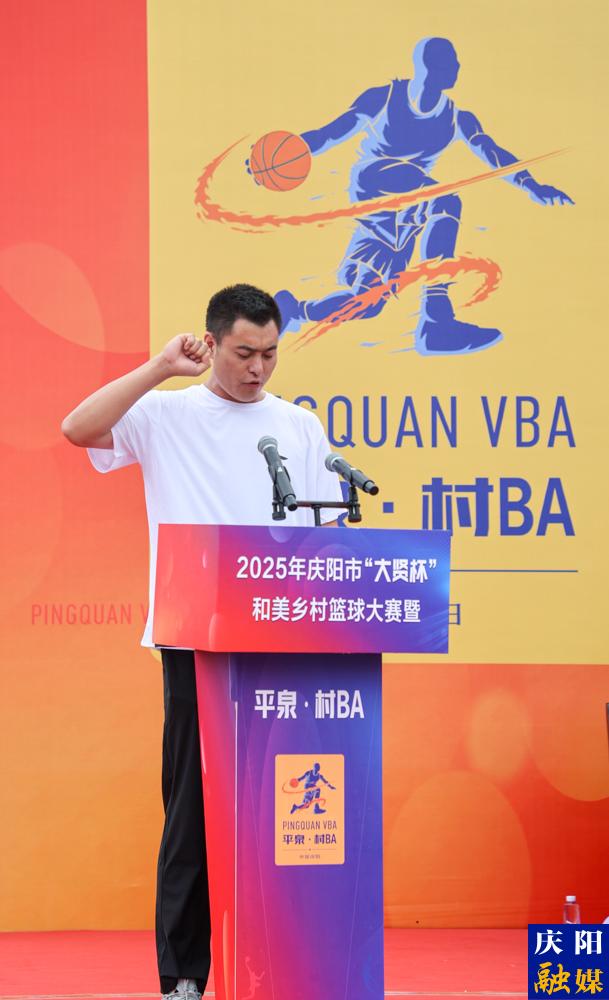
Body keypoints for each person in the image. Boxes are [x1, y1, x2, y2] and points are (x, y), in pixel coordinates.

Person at [61, 283, 342, 1000]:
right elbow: (77, 428)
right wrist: (160, 367)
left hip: (282, 641)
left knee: (283, 809)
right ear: (211, 343)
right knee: (192, 809)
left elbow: (330, 532)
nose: (258, 368)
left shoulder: (298, 427)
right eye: (244, 352)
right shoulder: (167, 414)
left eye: (270, 353)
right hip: (195, 640)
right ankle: (184, 976)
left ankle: (280, 964)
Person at [275, 36, 573, 355]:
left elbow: (492, 152)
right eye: (451, 60)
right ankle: (436, 321)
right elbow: (330, 133)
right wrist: (283, 156)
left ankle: (294, 309)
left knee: (368, 302)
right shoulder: (385, 97)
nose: (458, 66)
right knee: (445, 200)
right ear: (428, 65)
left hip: (405, 207)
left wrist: (531, 185)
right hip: (374, 182)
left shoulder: (457, 117)